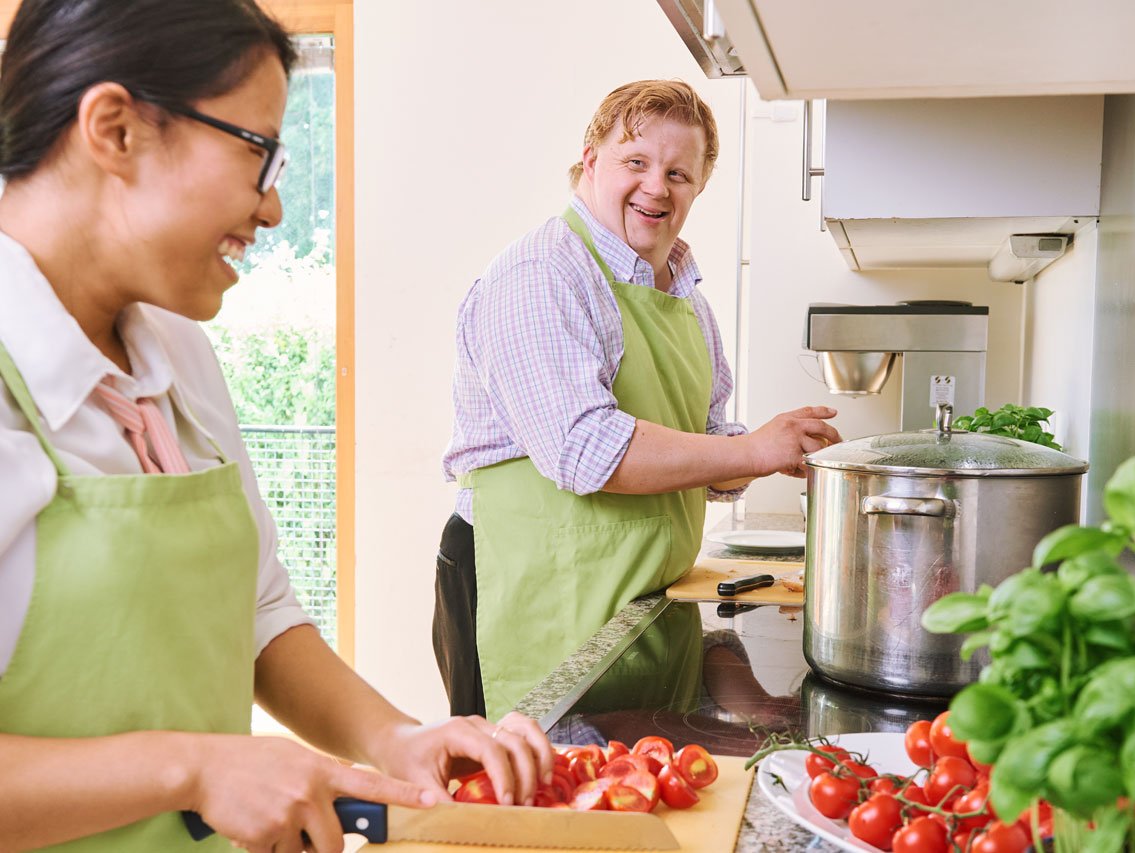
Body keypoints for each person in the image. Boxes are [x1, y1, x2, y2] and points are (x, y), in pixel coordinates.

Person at [0, 1, 552, 851]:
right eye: (257, 153)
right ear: (115, 129)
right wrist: (193, 767)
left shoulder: (176, 347)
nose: (273, 210)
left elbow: (257, 613)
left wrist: (394, 738)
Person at [437, 80, 841, 720]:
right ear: (591, 160)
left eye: (679, 173)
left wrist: (775, 454)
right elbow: (583, 451)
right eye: (637, 162)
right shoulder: (541, 274)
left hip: (642, 596)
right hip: (533, 591)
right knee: (539, 805)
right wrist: (752, 448)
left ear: (698, 188)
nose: (658, 187)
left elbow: (710, 441)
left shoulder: (686, 295)